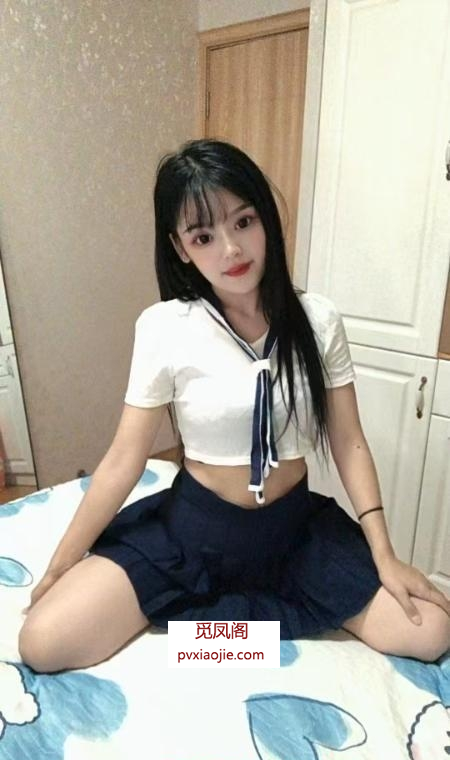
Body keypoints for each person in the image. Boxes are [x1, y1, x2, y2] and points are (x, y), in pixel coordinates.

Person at [19, 139, 449, 673]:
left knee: (432, 631)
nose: (231, 250)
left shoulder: (318, 321)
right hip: (193, 534)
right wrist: (60, 565)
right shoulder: (165, 327)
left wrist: (384, 555)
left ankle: (213, 640)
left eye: (243, 222)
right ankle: (232, 641)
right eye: (203, 236)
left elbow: (349, 441)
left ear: (265, 217)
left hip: (293, 536)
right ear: (180, 248)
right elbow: (123, 460)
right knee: (42, 643)